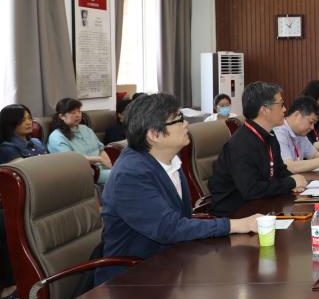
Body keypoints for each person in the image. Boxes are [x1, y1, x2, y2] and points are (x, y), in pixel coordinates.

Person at [98, 94, 262, 284]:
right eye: (178, 120)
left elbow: (182, 219)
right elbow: (169, 228)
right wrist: (237, 225)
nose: (186, 125)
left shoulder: (169, 160)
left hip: (170, 264)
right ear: (154, 134)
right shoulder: (130, 174)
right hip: (132, 279)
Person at [209, 81, 308, 217]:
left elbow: (279, 170)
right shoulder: (241, 144)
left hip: (261, 207)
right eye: (281, 104)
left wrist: (293, 179)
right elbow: (251, 189)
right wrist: (291, 182)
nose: (285, 109)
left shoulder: (270, 135)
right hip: (235, 215)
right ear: (264, 109)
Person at [0, 104, 49, 299]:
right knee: (6, 222)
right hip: (23, 196)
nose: (29, 122)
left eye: (29, 117)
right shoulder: (6, 148)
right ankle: (9, 287)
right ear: (11, 124)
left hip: (40, 192)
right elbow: (31, 172)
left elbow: (52, 165)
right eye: (23, 119)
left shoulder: (36, 142)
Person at [273, 96, 319, 174]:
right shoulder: (279, 133)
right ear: (297, 115)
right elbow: (289, 167)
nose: (312, 127)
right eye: (311, 122)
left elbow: (314, 154)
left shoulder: (300, 133)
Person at [47, 97, 112, 184]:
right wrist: (99, 159)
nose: (78, 115)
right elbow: (72, 159)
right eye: (73, 112)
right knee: (122, 176)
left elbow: (101, 149)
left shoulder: (85, 129)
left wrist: (109, 164)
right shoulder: (56, 137)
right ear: (62, 116)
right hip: (83, 173)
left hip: (101, 169)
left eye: (79, 111)